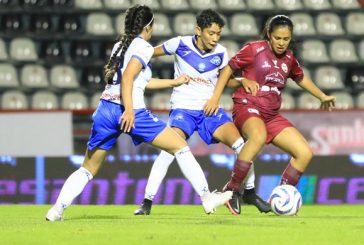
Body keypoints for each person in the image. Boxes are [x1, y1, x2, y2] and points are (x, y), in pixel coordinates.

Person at [45, 5, 233, 221]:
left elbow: (138, 81)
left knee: (88, 169)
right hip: (130, 112)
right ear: (148, 27)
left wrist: (174, 81)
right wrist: (129, 111)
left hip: (105, 110)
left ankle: (56, 210)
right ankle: (206, 197)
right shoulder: (143, 47)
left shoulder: (120, 46)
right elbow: (127, 78)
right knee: (180, 147)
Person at [134, 9, 271, 216]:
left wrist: (242, 80)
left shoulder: (221, 53)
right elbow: (147, 53)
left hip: (210, 110)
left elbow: (226, 81)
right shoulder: (179, 44)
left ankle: (248, 191)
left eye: (218, 34)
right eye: (211, 33)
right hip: (183, 109)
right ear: (198, 30)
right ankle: (147, 202)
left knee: (242, 146)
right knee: (168, 151)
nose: (215, 39)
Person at [204, 15, 336, 201]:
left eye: (286, 39)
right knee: (257, 137)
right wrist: (215, 98)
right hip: (247, 106)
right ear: (269, 34)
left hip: (271, 114)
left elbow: (300, 77)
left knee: (304, 153)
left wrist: (321, 95)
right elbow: (228, 69)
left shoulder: (289, 58)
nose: (281, 43)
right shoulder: (254, 49)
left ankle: (282, 197)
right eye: (277, 38)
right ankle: (231, 190)